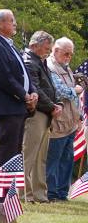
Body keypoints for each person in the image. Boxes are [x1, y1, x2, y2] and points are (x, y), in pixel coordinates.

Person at [0, 9, 37, 176]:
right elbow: (4, 77)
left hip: (19, 107)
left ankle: (8, 195)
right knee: (7, 151)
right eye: (11, 20)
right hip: (7, 107)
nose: (15, 23)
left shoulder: (11, 45)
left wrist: (33, 92)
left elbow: (24, 73)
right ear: (0, 24)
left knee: (15, 152)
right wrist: (24, 95)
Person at [22, 30, 60, 203]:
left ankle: (39, 194)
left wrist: (55, 104)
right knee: (28, 155)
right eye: (46, 48)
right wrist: (52, 106)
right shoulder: (30, 61)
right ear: (33, 45)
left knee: (40, 158)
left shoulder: (40, 62)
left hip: (45, 114)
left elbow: (49, 87)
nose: (48, 51)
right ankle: (25, 194)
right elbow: (35, 88)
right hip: (36, 113)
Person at [46, 37, 81, 201]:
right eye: (66, 53)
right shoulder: (50, 67)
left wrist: (80, 116)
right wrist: (77, 89)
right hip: (58, 124)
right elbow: (59, 92)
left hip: (71, 123)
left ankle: (62, 193)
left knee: (67, 160)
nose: (68, 57)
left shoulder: (65, 68)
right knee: (53, 160)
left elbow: (73, 99)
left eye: (71, 54)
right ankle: (51, 193)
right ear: (55, 50)